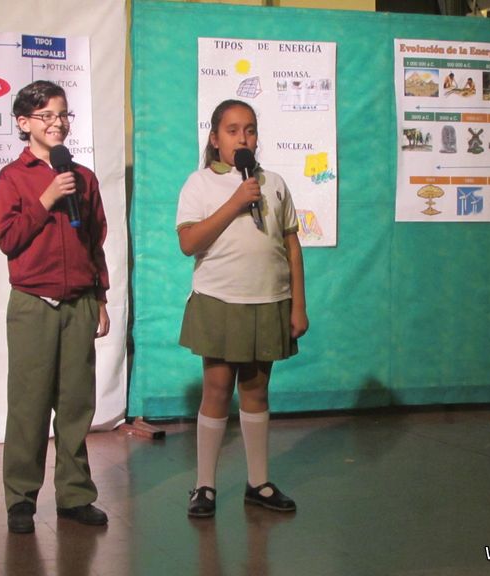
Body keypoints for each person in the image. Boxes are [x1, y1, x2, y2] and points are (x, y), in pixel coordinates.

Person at [175, 99, 309, 518]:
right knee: (217, 390)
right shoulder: (199, 184)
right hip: (219, 300)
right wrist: (234, 202)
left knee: (256, 390)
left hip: (268, 300)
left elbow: (291, 246)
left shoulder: (274, 183)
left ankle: (259, 482)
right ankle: (204, 485)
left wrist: (299, 305)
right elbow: (188, 243)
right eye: (232, 130)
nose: (242, 138)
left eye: (249, 129)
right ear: (215, 139)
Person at [0, 80, 110, 534]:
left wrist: (100, 297)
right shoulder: (13, 177)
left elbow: (94, 241)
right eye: (46, 116)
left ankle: (75, 495)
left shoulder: (84, 177)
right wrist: (46, 199)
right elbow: (9, 239)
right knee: (29, 404)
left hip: (79, 302)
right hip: (33, 304)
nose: (57, 123)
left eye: (63, 114)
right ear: (24, 123)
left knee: (76, 404)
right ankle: (21, 499)